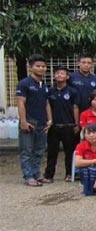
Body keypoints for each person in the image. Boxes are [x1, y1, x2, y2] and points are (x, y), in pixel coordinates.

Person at [16, 54, 52, 187]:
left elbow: (46, 103)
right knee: (27, 150)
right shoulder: (24, 83)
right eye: (38, 66)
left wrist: (50, 120)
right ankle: (28, 176)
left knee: (39, 150)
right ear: (30, 67)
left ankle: (37, 174)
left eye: (43, 66)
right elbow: (20, 103)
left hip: (42, 122)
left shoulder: (44, 85)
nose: (41, 68)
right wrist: (23, 121)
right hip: (29, 121)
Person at [43, 66, 79, 183]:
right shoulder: (50, 91)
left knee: (69, 152)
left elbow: (75, 107)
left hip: (68, 126)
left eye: (62, 73)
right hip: (54, 127)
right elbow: (47, 106)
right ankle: (49, 175)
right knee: (52, 152)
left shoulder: (72, 91)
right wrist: (49, 121)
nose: (59, 75)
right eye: (57, 73)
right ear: (54, 76)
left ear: (67, 77)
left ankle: (69, 174)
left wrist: (76, 124)